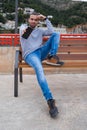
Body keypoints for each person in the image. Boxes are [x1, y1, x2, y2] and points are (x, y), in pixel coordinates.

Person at [19, 12, 64, 118]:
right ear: (28, 20)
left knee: (56, 34)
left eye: (36, 20)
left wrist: (46, 18)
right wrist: (27, 28)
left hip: (41, 52)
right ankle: (50, 100)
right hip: (30, 55)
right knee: (40, 70)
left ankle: (51, 56)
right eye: (31, 19)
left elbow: (52, 32)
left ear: (38, 21)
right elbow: (24, 33)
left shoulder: (39, 31)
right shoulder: (23, 28)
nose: (33, 21)